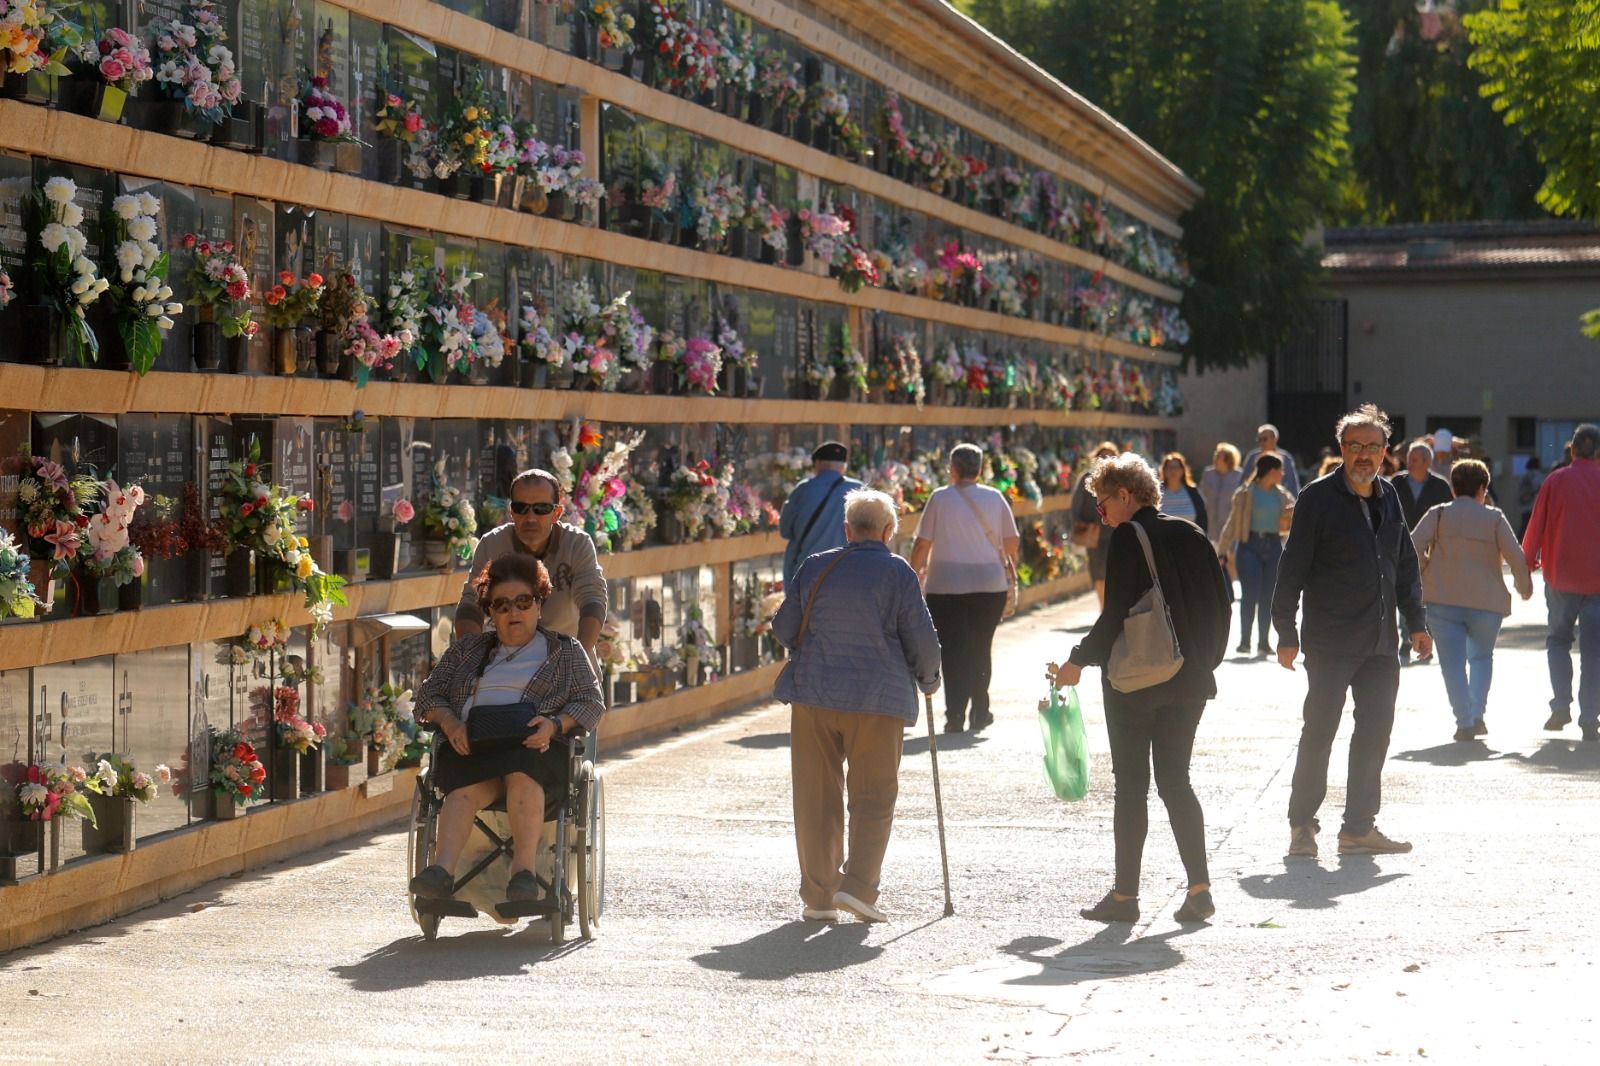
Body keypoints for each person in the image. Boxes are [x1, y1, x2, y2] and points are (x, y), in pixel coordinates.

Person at [1046, 453, 1230, 924]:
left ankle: (1126, 897)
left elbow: (1115, 613)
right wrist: (1206, 661)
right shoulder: (1191, 532)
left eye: (1103, 503)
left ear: (1125, 495)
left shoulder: (1129, 535)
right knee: (1176, 781)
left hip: (1136, 684)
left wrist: (1078, 661)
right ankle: (1200, 889)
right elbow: (1222, 603)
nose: (1100, 515)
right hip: (1189, 680)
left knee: (1132, 787)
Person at [773, 489, 942, 924]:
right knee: (873, 794)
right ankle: (860, 888)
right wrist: (928, 680)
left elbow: (786, 627)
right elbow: (921, 639)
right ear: (888, 532)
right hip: (878, 701)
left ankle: (820, 895)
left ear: (848, 530)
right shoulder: (898, 572)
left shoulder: (816, 566)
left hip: (814, 696)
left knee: (815, 797)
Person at [1273, 404, 1431, 858]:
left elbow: (1404, 564)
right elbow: (1293, 567)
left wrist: (1417, 622)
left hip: (1382, 644)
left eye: (1373, 447)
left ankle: (1359, 827)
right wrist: (1285, 630)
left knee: (1375, 733)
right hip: (1331, 642)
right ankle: (1302, 825)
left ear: (1386, 453)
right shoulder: (1317, 498)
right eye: (1355, 446)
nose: (1364, 455)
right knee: (1319, 733)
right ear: (1342, 449)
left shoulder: (1389, 497)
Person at [409, 554, 606, 905]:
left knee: (521, 772)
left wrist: (555, 724)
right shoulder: (468, 650)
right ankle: (441, 873)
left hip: (535, 747)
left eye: (523, 602)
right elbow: (427, 696)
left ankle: (524, 874)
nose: (513, 612)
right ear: (490, 612)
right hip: (475, 744)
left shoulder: (564, 650)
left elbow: (591, 701)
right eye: (501, 605)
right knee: (463, 790)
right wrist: (450, 721)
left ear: (540, 604)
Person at [1412, 460, 1533, 742]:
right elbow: (1516, 555)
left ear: (1453, 489)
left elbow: (1412, 545)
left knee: (1451, 664)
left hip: (1442, 599)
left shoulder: (1438, 514)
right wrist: (1523, 586)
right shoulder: (1495, 518)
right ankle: (1478, 714)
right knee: (1480, 658)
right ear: (1483, 489)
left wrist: (1426, 570)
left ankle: (1464, 721)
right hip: (1486, 603)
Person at [908, 444, 1019, 733]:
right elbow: (1011, 543)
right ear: (980, 469)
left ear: (953, 468)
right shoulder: (995, 498)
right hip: (989, 585)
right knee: (981, 647)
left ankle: (955, 714)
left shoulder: (940, 499)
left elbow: (922, 543)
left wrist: (910, 575)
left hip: (945, 586)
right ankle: (980, 711)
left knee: (953, 650)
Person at [454, 469, 606, 654]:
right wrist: (470, 659)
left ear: (557, 513)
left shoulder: (577, 544)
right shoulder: (492, 545)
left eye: (541, 509)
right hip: (506, 667)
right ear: (512, 512)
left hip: (567, 661)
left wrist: (578, 659)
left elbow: (592, 600)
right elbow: (471, 604)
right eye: (521, 508)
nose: (530, 517)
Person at [1521, 423, 1600, 741]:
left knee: (1558, 641)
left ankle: (1561, 706)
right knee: (1595, 651)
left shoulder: (1556, 480)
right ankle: (1590, 717)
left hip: (1561, 575)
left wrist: (1525, 566)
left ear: (1572, 450)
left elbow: (1536, 524)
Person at [1218, 454, 1295, 656]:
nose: (1283, 474)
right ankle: (1244, 641)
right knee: (1250, 595)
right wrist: (1222, 551)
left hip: (1273, 545)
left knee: (1268, 597)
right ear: (1272, 471)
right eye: (1281, 470)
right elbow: (1232, 523)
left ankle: (1263, 642)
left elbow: (1294, 517)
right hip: (1249, 546)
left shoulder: (1283, 495)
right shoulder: (1245, 494)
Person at [1391, 441, 1455, 664]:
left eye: (1415, 459)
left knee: (1427, 596)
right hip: (1400, 548)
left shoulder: (1440, 486)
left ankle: (1425, 639)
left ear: (1427, 462)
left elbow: (1449, 518)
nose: (1409, 462)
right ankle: (1407, 640)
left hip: (1431, 552)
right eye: (1408, 458)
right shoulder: (1396, 483)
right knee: (1405, 592)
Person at [779, 441, 863, 588]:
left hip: (806, 572)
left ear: (818, 464)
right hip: (847, 573)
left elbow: (785, 530)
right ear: (844, 466)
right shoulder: (859, 490)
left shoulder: (803, 490)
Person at [1072, 441, 1123, 608]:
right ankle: (1104, 608)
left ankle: (1108, 608)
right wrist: (1079, 524)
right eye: (1103, 456)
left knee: (1113, 573)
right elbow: (1076, 505)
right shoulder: (1088, 479)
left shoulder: (1121, 481)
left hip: (1116, 532)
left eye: (1110, 455)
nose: (1106, 459)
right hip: (1094, 534)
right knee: (1098, 574)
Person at [1198, 444, 1243, 547]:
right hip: (1210, 524)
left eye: (1218, 456)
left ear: (1228, 459)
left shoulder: (1238, 476)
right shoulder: (1208, 474)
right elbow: (1201, 495)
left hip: (1230, 526)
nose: (1215, 458)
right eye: (1215, 455)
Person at [1241, 423, 1302, 497]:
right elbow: (1244, 481)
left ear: (1275, 439)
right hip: (1255, 499)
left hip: (1279, 499)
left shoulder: (1285, 458)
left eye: (1264, 439)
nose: (1262, 443)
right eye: (1259, 440)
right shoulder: (1252, 457)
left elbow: (1292, 483)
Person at [1157, 452, 1208, 532]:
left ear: (1182, 470)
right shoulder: (1157, 493)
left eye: (1176, 467)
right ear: (1164, 470)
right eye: (1169, 467)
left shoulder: (1193, 492)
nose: (1173, 471)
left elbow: (1202, 519)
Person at [1517, 457, 1545, 537]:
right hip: (1535, 506)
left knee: (1524, 528)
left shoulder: (1524, 476)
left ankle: (1520, 545)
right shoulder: (1539, 475)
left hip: (1525, 505)